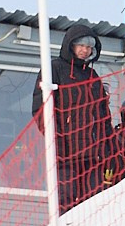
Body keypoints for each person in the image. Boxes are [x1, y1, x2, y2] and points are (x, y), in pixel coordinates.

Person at [33, 23, 114, 211]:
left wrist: (109, 149)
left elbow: (103, 117)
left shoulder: (93, 77)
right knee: (65, 203)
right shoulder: (54, 69)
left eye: (89, 47)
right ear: (71, 45)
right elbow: (41, 109)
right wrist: (57, 141)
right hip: (65, 154)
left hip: (93, 156)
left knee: (94, 205)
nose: (85, 50)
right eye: (81, 45)